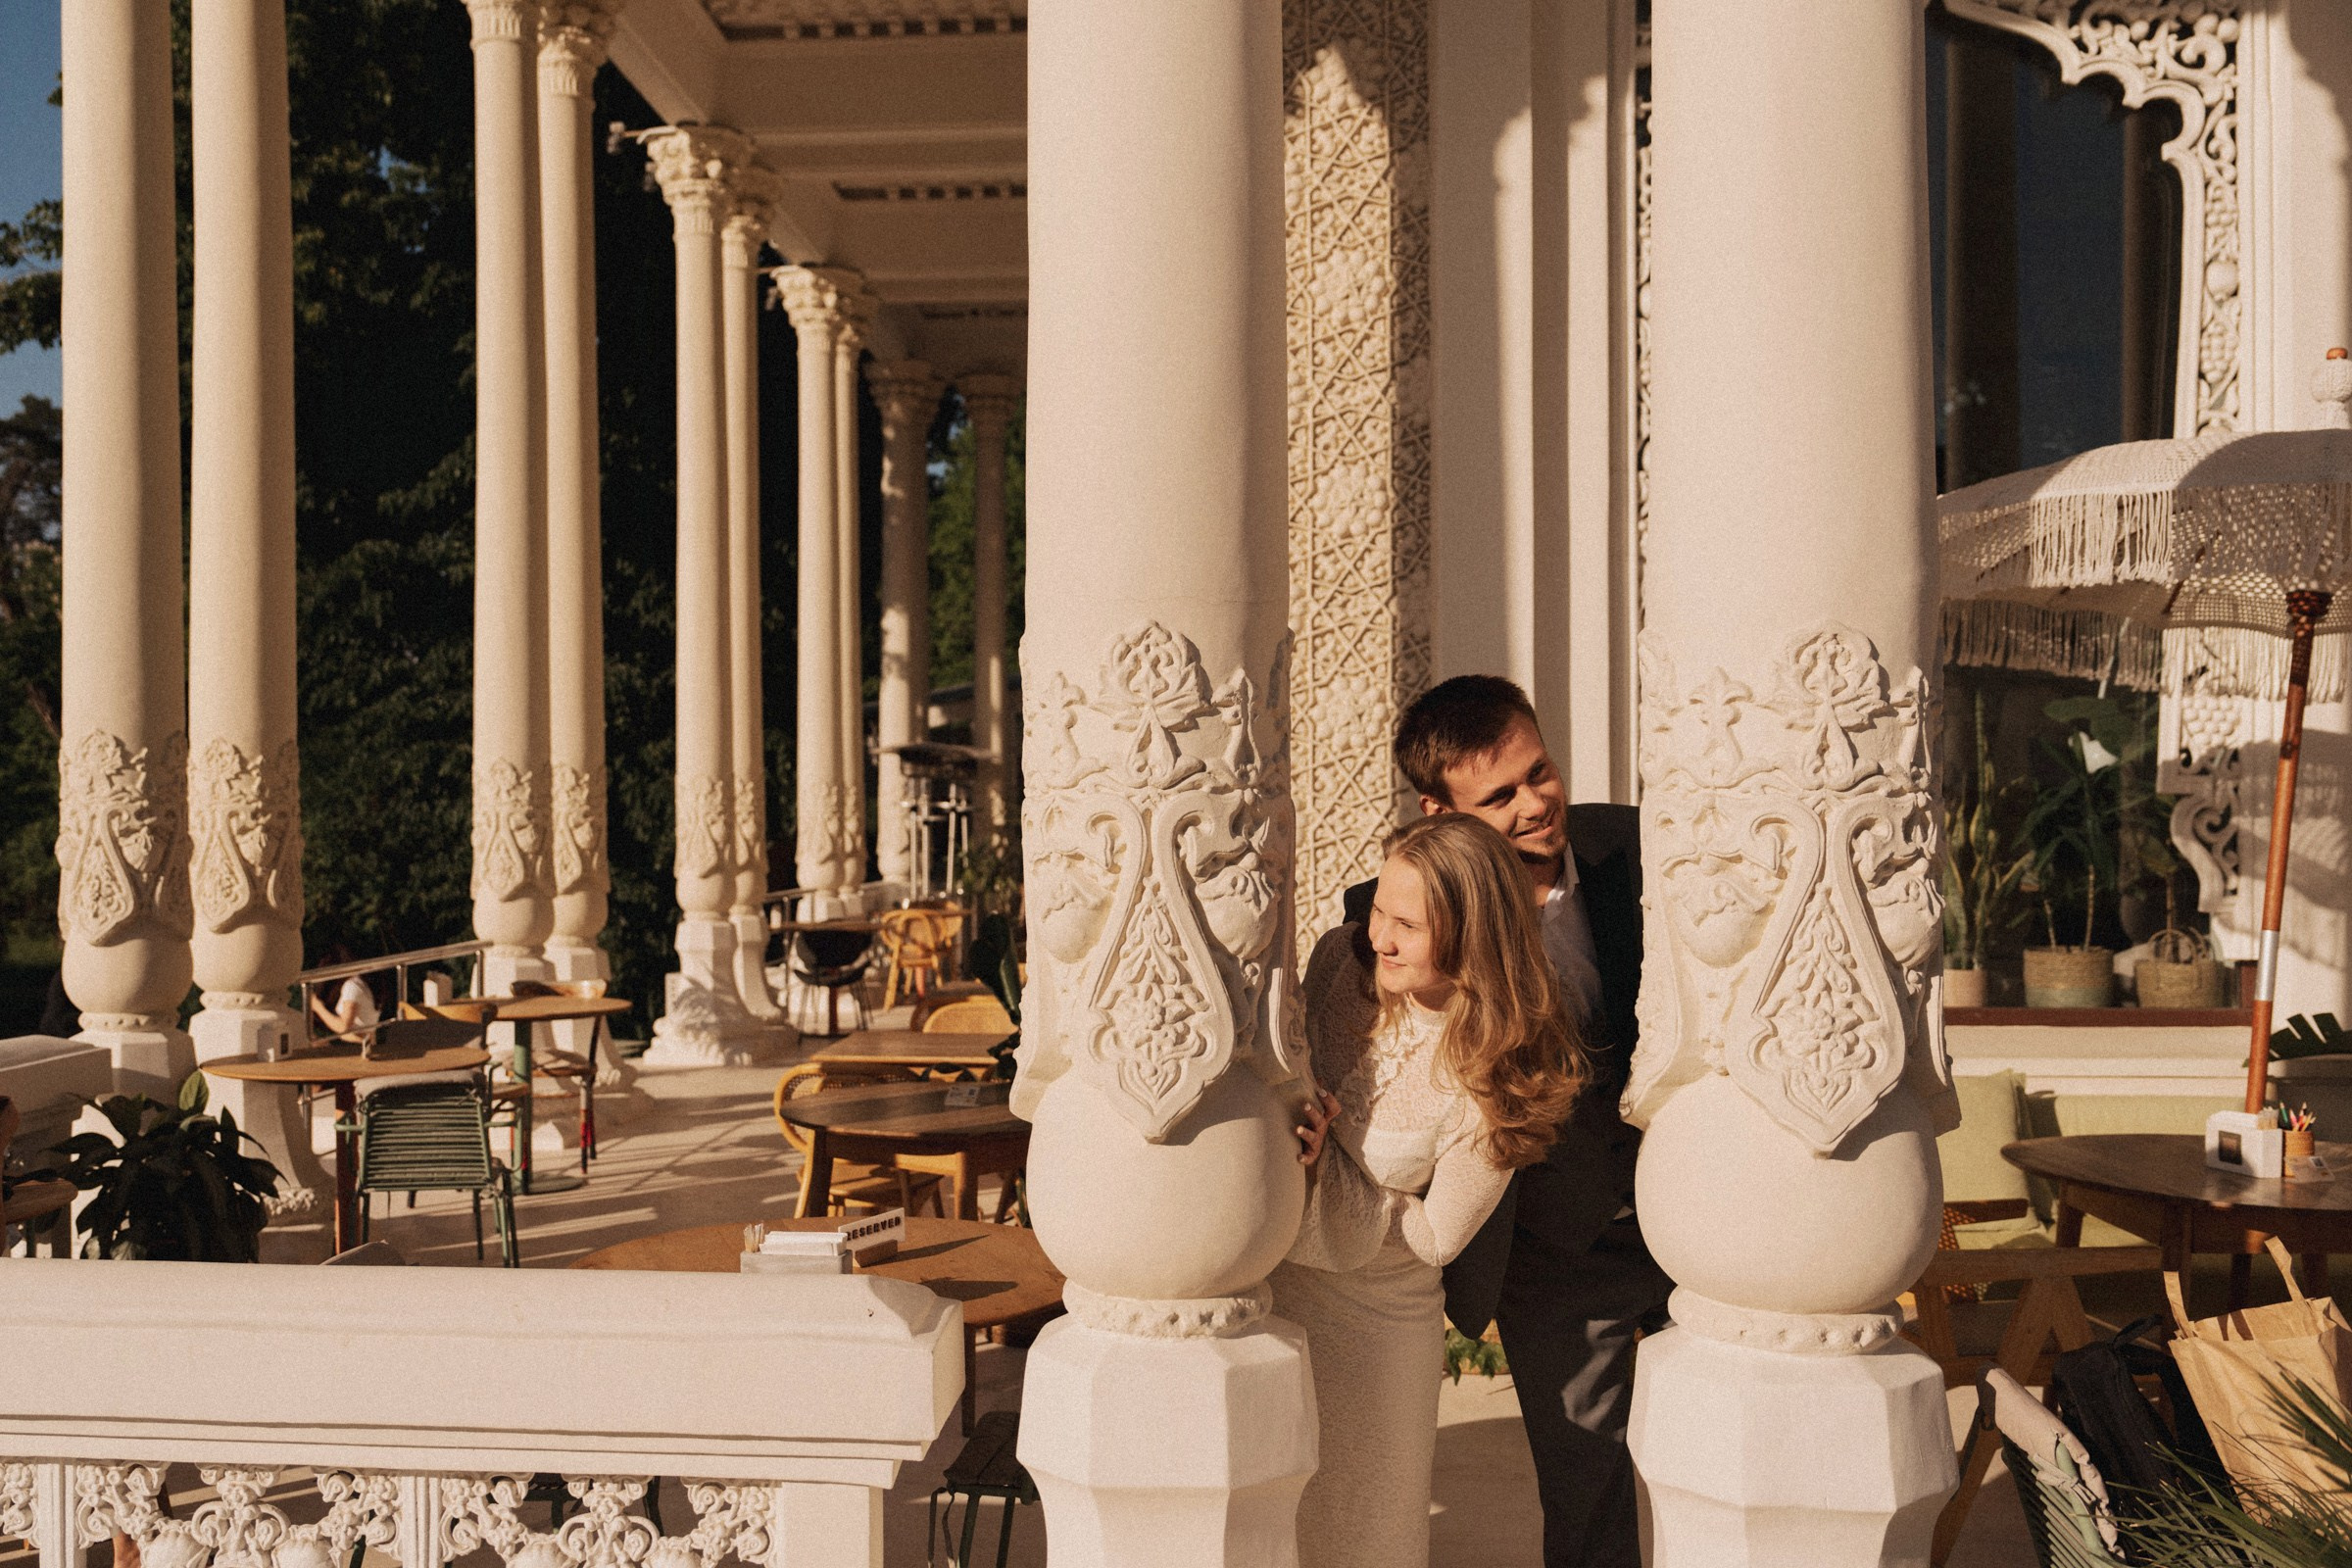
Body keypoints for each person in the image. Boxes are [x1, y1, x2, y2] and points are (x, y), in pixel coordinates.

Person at [1341, 674, 1671, 1568]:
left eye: (1541, 771)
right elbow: (1353, 1055)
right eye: (1501, 795)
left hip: (1696, 1216)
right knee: (1588, 1494)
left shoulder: (1645, 847)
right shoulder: (1390, 916)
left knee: (1742, 1459)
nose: (1537, 803)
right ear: (1439, 809)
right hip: (1554, 1258)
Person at [1276, 811, 1586, 1568]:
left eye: (1406, 926)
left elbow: (1439, 1236)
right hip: (1274, 1287)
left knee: (1362, 1537)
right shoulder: (1336, 966)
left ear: (1472, 935)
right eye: (1380, 908)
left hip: (1376, 1326)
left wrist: (1323, 1176)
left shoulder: (1503, 1064)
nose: (1378, 935)